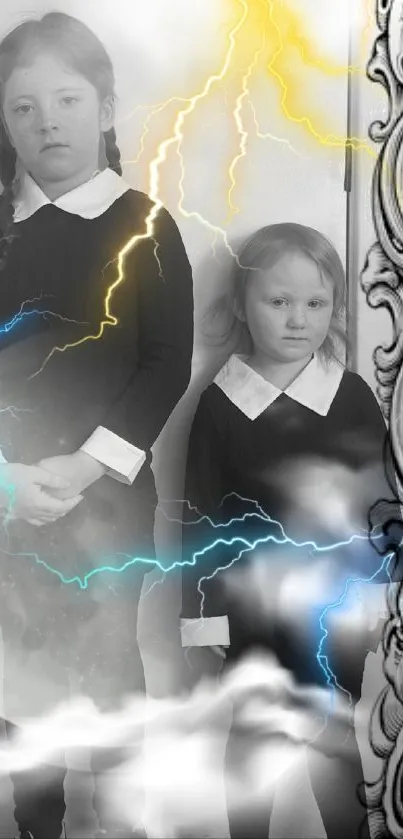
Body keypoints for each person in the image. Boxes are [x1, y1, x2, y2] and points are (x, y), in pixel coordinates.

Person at [0, 11, 193, 839]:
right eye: (24, 106)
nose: (48, 122)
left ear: (106, 109)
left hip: (106, 512)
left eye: (68, 100)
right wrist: (10, 479)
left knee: (110, 686)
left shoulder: (145, 225)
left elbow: (164, 365)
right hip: (8, 514)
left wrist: (81, 471)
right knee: (25, 696)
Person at [180, 223, 397, 838]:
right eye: (278, 302)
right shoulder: (220, 404)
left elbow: (380, 503)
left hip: (335, 612)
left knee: (332, 746)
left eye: (315, 304)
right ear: (243, 308)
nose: (298, 319)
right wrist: (203, 621)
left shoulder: (351, 396)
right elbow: (199, 518)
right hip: (252, 613)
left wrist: (382, 594)